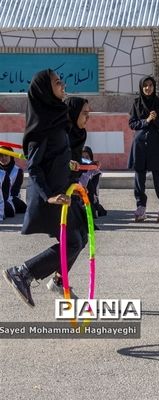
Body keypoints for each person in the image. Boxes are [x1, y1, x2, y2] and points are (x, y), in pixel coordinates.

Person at [2, 69, 88, 307]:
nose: (63, 85)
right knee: (72, 242)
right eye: (57, 83)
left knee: (81, 236)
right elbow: (35, 167)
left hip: (63, 192)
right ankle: (22, 272)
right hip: (50, 196)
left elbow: (57, 153)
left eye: (61, 80)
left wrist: (68, 162)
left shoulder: (57, 118)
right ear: (45, 91)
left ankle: (58, 280)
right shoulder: (41, 128)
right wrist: (50, 196)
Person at [128, 76, 159, 222]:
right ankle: (141, 207)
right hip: (139, 144)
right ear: (141, 87)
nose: (148, 88)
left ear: (154, 86)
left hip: (153, 144)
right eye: (145, 85)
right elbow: (132, 124)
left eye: (150, 85)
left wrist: (156, 118)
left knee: (158, 174)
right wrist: (146, 121)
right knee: (139, 175)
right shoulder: (136, 103)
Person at [0, 146, 27, 221]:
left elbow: (15, 191)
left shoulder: (17, 171)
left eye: (6, 155)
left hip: (11, 196)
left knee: (22, 208)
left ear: (11, 156)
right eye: (1, 156)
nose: (3, 158)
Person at [80, 146, 107, 218]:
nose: (84, 159)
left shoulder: (95, 172)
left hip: (90, 196)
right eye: (82, 157)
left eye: (87, 157)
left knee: (92, 210)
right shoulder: (77, 170)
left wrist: (94, 196)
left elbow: (94, 188)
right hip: (79, 195)